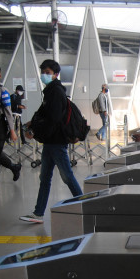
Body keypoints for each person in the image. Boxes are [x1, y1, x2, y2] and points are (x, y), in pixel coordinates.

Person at [19, 59, 83, 224]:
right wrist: (32, 124)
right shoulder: (50, 91)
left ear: (55, 74)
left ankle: (84, 204)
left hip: (56, 141)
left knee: (67, 176)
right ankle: (38, 213)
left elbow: (53, 119)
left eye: (48, 73)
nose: (44, 75)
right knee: (45, 177)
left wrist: (36, 132)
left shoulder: (55, 92)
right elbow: (43, 114)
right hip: (50, 142)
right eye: (43, 72)